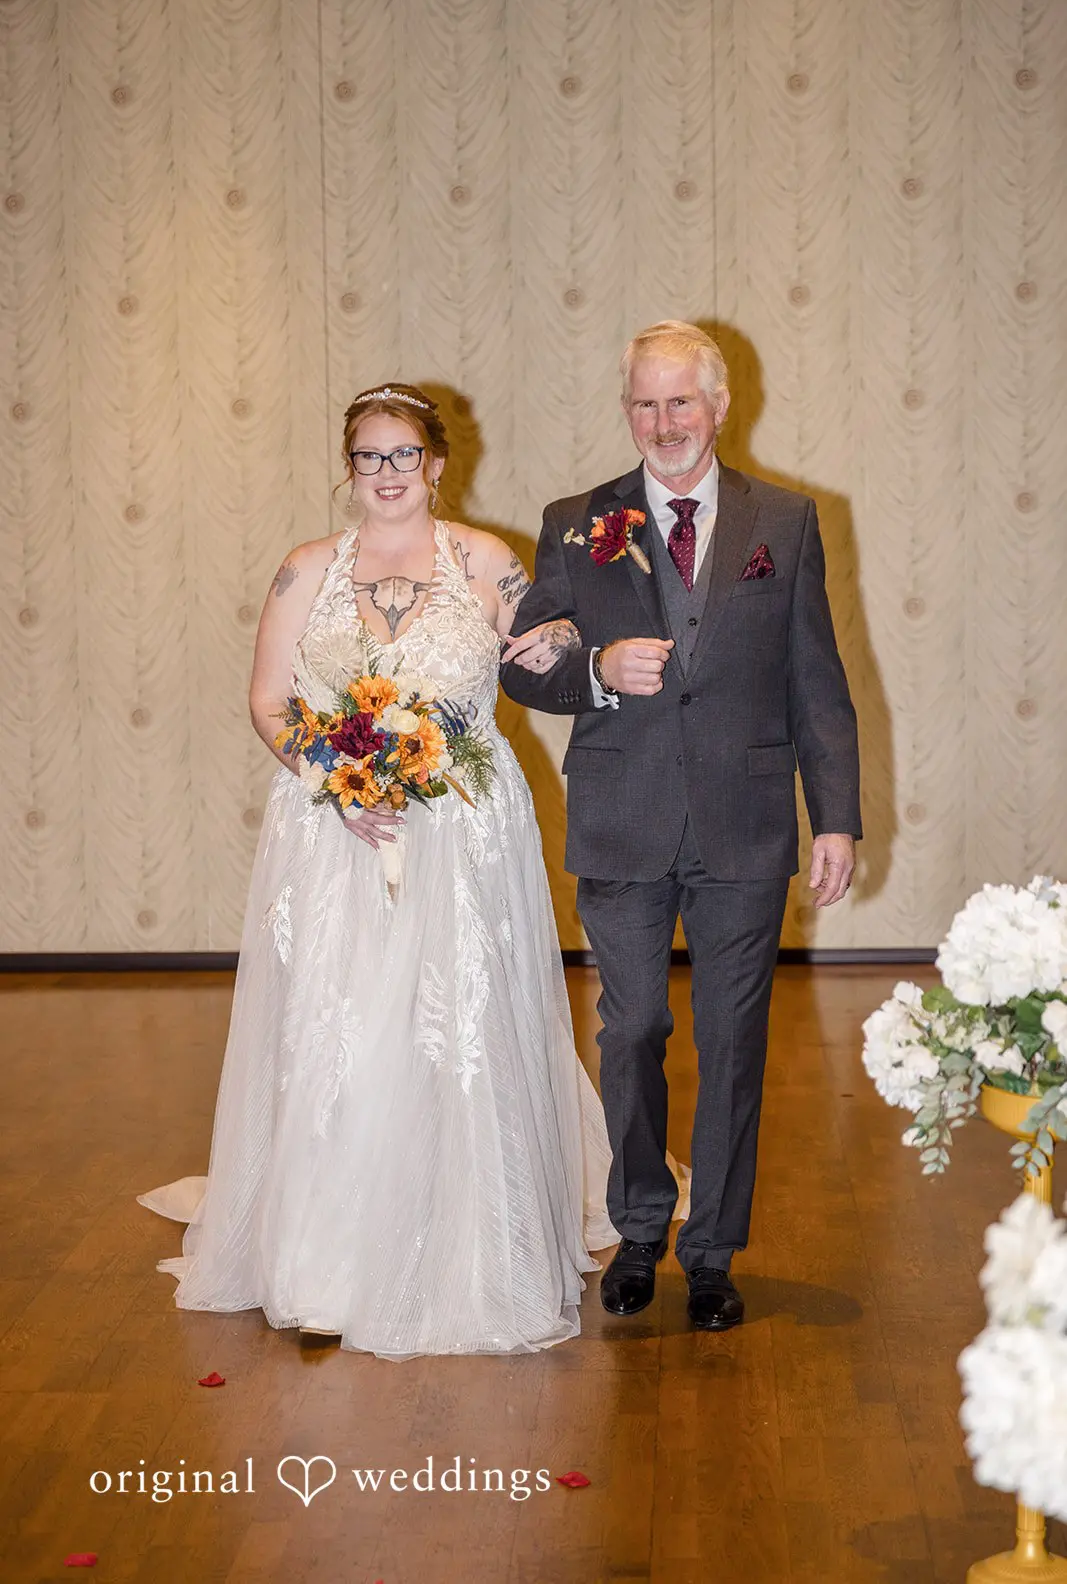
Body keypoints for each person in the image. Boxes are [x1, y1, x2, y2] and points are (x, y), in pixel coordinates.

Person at [139, 383, 682, 1359]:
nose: (386, 474)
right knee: (342, 1028)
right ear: (348, 469)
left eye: (403, 456)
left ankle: (468, 1240)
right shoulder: (304, 571)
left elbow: (544, 658)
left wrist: (598, 638)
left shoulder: (488, 562)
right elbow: (268, 701)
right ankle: (324, 1260)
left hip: (463, 824)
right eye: (367, 458)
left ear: (435, 463)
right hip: (334, 830)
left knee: (454, 1023)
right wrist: (335, 778)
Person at [500, 322, 861, 1332]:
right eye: (643, 404)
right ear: (627, 411)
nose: (662, 423)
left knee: (733, 1037)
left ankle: (710, 1252)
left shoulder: (782, 521)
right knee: (635, 1030)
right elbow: (522, 660)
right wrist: (597, 673)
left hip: (745, 823)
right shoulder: (577, 523)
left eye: (680, 402)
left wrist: (833, 816)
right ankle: (638, 1232)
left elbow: (815, 679)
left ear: (717, 404)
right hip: (621, 817)